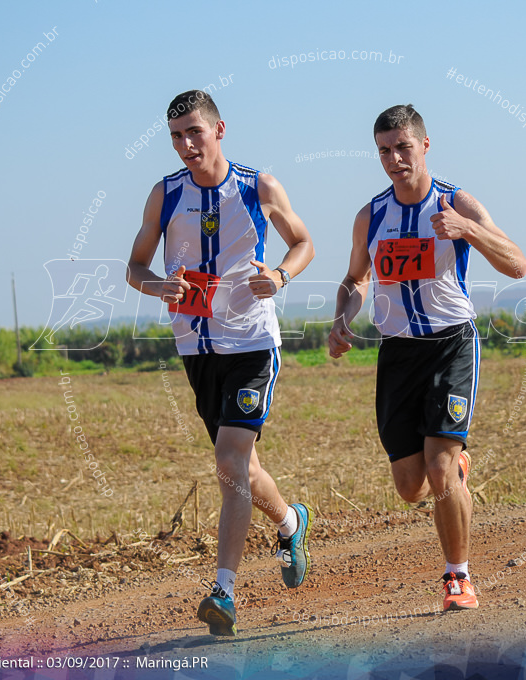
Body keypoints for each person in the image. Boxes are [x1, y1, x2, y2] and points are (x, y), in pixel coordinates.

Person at [126, 90, 315, 636]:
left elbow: (303, 242)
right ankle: (289, 521)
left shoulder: (258, 186)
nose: (186, 145)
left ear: (219, 130)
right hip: (197, 349)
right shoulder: (164, 195)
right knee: (242, 468)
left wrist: (279, 276)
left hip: (253, 345)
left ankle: (224, 592)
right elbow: (134, 267)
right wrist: (159, 284)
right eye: (176, 137)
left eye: (195, 133)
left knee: (230, 464)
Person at [327, 104, 526, 611]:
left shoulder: (456, 201)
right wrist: (341, 319)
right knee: (410, 487)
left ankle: (457, 577)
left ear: (425, 145)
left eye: (403, 147)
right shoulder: (370, 215)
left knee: (439, 468)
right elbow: (356, 279)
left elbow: (518, 264)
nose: (395, 159)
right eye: (384, 150)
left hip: (450, 345)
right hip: (397, 353)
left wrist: (468, 230)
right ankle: (455, 470)